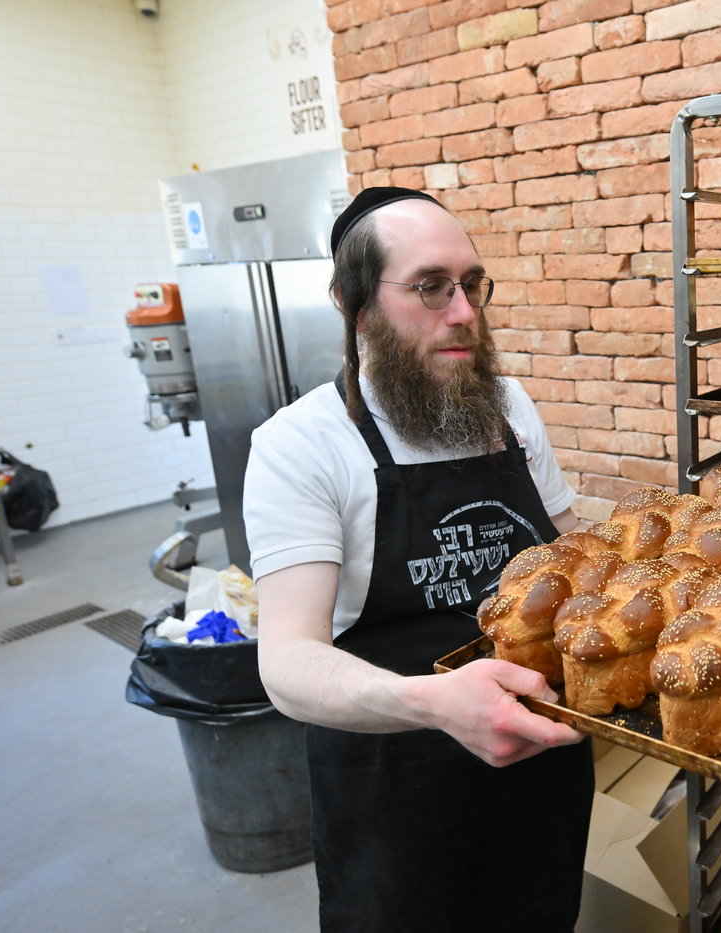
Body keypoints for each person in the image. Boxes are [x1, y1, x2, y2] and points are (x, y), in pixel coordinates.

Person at [242, 187, 594, 932]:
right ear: (356, 306)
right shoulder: (300, 445)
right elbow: (288, 663)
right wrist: (434, 703)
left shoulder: (507, 405)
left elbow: (576, 561)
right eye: (430, 287)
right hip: (393, 793)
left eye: (471, 284)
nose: (464, 312)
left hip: (539, 767)